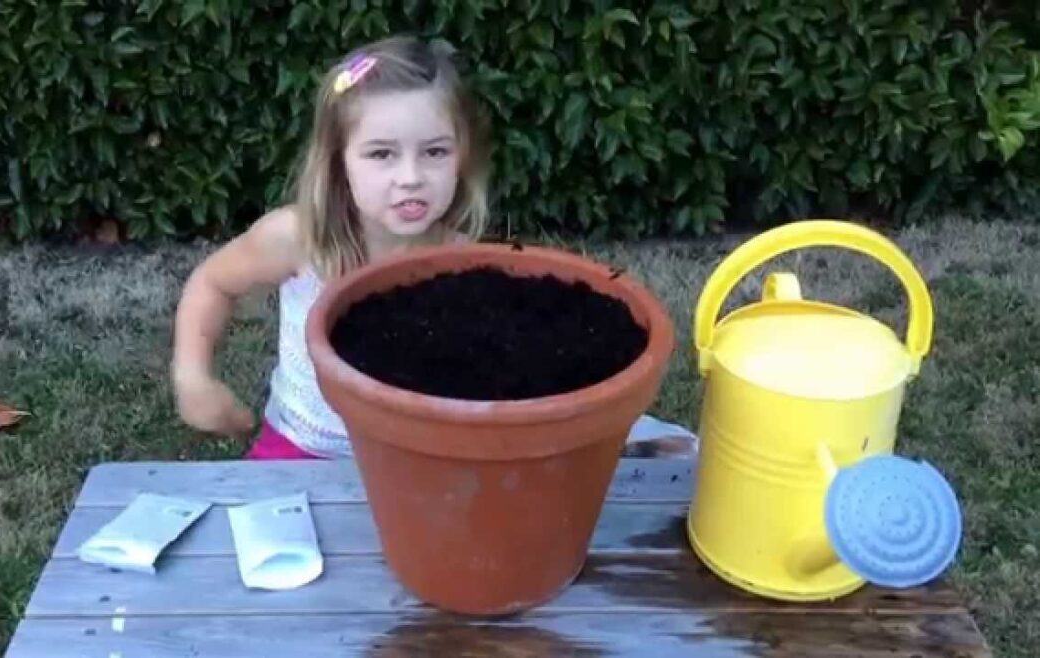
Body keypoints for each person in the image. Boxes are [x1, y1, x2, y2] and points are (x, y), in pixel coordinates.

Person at [170, 35, 698, 460]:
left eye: (434, 152)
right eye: (381, 154)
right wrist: (192, 375)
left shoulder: (459, 260)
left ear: (462, 158)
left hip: (419, 456)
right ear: (337, 162)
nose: (411, 178)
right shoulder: (299, 238)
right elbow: (213, 283)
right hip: (303, 448)